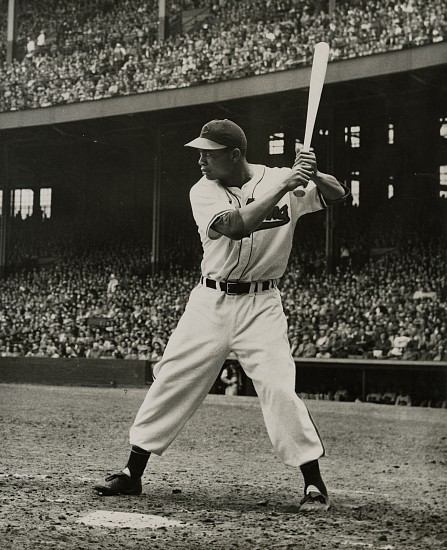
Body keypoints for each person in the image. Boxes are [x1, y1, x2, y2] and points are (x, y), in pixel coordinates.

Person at [93, 119, 349, 509]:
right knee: (173, 378)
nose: (200, 160)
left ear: (234, 154)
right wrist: (286, 184)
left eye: (209, 154)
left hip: (262, 304)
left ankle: (313, 484)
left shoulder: (281, 177)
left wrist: (314, 172)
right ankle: (132, 474)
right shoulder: (204, 191)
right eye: (199, 153)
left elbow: (337, 194)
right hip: (211, 301)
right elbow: (236, 226)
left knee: (279, 387)